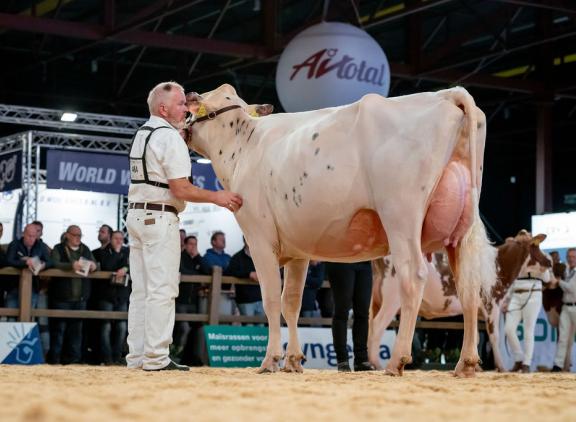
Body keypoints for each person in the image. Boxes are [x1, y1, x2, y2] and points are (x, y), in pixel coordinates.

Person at [126, 81, 242, 372]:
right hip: (160, 217)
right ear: (164, 108)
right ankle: (156, 358)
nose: (186, 108)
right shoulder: (169, 138)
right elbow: (180, 188)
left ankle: (137, 357)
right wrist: (218, 196)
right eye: (180, 104)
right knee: (162, 290)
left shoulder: (143, 133)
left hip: (137, 215)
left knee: (141, 291)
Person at [48, 225, 97, 364]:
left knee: (76, 332)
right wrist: (70, 265)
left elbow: (95, 264)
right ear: (67, 235)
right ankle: (55, 360)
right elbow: (53, 263)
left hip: (81, 297)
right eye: (75, 235)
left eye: (80, 235)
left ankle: (74, 361)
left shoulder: (85, 249)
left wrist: (94, 266)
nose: (78, 238)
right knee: (59, 330)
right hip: (61, 297)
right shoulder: (58, 248)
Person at [503, 255, 552, 373]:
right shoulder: (517, 258)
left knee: (528, 330)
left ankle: (526, 363)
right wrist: (506, 298)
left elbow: (547, 279)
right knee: (508, 329)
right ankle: (519, 358)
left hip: (533, 294)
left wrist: (542, 268)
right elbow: (512, 281)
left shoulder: (540, 258)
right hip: (516, 296)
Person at [326, 261, 375, 372]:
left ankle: (361, 359)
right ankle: (342, 360)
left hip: (364, 260)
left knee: (363, 313)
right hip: (341, 259)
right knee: (341, 312)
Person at [92, 230, 130, 365]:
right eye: (116, 238)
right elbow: (107, 266)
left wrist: (125, 268)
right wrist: (118, 254)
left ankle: (117, 356)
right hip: (105, 295)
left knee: (121, 327)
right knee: (105, 327)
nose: (119, 241)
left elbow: (133, 266)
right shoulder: (103, 252)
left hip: (122, 295)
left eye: (121, 238)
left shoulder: (128, 251)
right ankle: (107, 358)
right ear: (110, 239)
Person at [4, 224, 52, 311]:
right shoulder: (15, 244)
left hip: (33, 286)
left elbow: (51, 262)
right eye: (29, 236)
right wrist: (25, 262)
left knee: (29, 315)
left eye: (34, 236)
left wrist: (43, 265)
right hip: (13, 286)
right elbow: (8, 261)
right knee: (11, 316)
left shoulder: (41, 246)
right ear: (23, 234)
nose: (31, 239)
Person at [174, 235, 203, 356]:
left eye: (195, 244)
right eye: (190, 244)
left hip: (194, 301)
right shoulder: (180, 257)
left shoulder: (198, 258)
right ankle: (177, 352)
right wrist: (196, 273)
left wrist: (197, 256)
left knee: (197, 329)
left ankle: (189, 354)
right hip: (181, 300)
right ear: (185, 245)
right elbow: (182, 271)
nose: (193, 247)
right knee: (183, 327)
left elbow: (207, 270)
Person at [552, 248, 576, 372]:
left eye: (573, 256)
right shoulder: (566, 270)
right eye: (569, 256)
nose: (571, 258)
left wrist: (558, 281)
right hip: (566, 307)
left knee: (568, 338)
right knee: (563, 337)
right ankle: (558, 365)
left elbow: (571, 288)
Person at [226, 239, 264, 317]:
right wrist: (248, 274)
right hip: (245, 299)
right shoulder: (237, 257)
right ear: (245, 240)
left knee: (261, 327)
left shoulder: (262, 256)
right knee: (248, 327)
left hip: (261, 298)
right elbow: (230, 272)